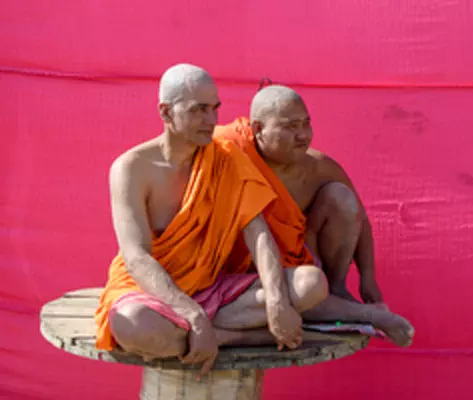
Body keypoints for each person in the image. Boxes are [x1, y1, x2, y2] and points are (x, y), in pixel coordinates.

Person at [94, 64, 329, 378]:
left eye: (215, 108)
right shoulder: (131, 168)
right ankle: (233, 337)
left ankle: (207, 336)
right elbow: (137, 258)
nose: (212, 120)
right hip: (151, 294)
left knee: (311, 283)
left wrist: (275, 302)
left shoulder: (226, 157)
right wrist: (192, 315)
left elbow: (258, 234)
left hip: (213, 289)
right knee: (131, 325)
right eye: (199, 110)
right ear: (165, 112)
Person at [213, 85, 415, 347]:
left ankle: (337, 289)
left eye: (306, 124)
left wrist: (368, 279)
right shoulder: (228, 154)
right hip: (241, 280)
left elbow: (361, 220)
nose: (302, 135)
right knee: (305, 289)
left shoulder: (318, 167)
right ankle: (366, 315)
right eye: (290, 126)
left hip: (299, 270)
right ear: (258, 128)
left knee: (341, 198)